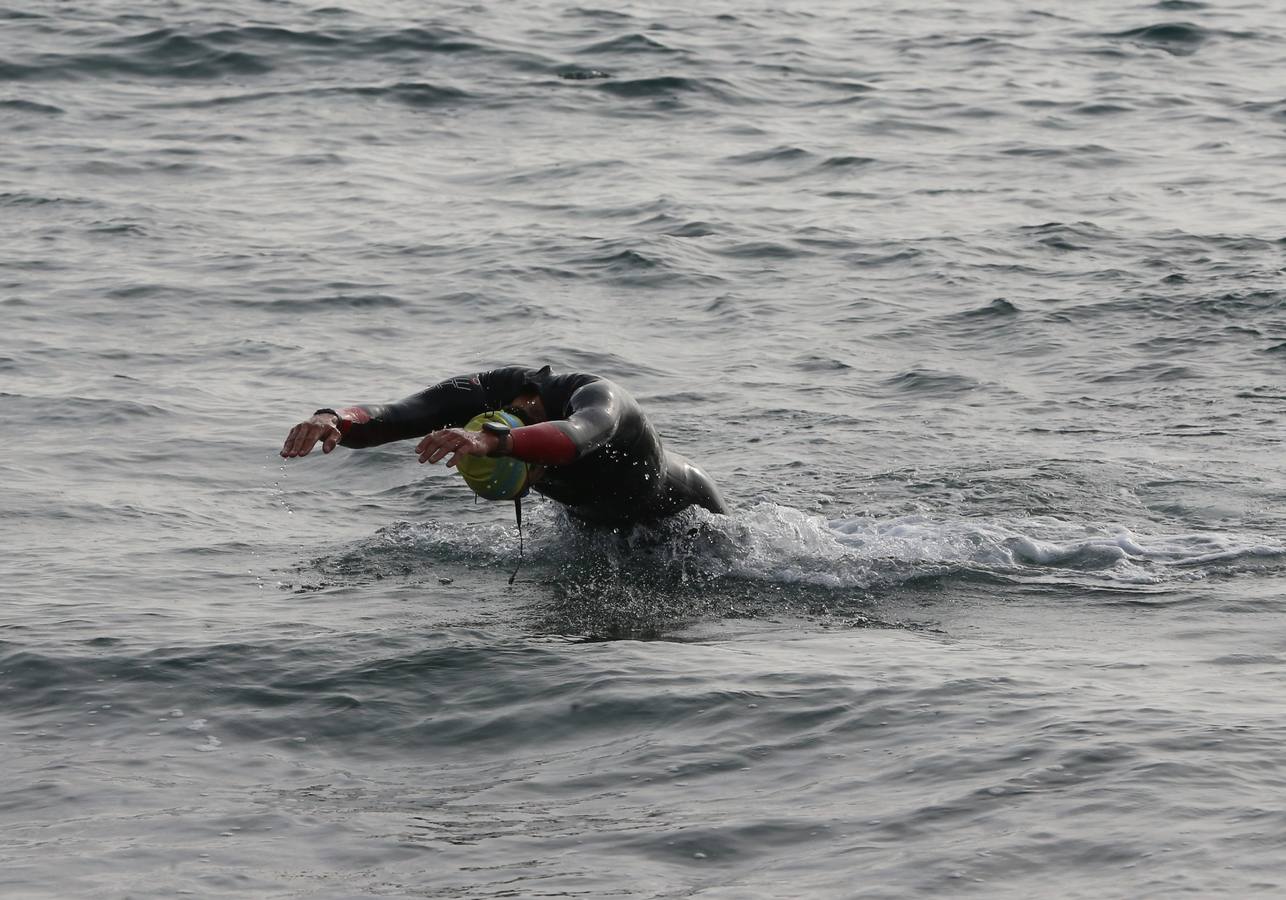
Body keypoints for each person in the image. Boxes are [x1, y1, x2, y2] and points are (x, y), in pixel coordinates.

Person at [279, 365, 728, 528]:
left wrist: (492, 441)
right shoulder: (482, 394)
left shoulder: (600, 400)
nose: (537, 479)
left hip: (687, 516)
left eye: (532, 471)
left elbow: (574, 439)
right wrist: (335, 420)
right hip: (596, 527)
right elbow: (396, 416)